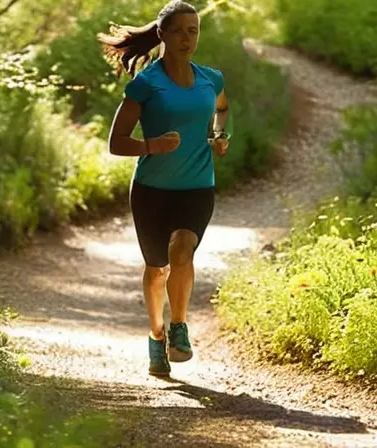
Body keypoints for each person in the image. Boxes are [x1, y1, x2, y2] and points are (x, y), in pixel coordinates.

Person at [98, 0, 231, 377]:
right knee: (157, 269)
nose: (187, 39)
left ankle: (179, 328)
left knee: (182, 251)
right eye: (178, 31)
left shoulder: (212, 79)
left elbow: (222, 110)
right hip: (152, 191)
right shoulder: (145, 84)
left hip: (197, 187)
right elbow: (116, 141)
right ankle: (156, 335)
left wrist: (220, 137)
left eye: (193, 31)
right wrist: (151, 146)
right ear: (162, 35)